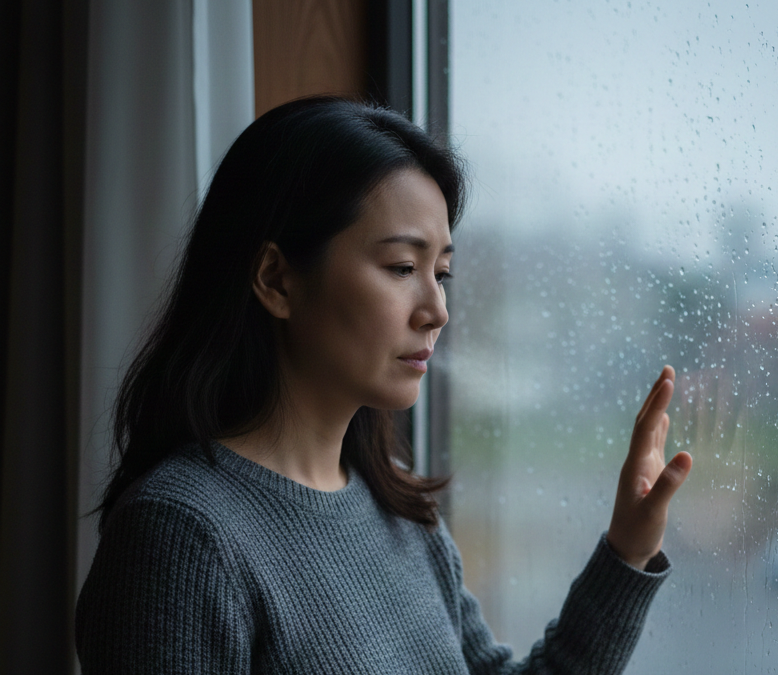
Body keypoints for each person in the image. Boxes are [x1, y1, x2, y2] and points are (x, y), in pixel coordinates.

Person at [76, 96, 694, 673]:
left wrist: (627, 551)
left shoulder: (395, 506)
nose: (437, 310)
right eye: (402, 267)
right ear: (277, 280)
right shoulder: (181, 537)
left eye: (441, 273)